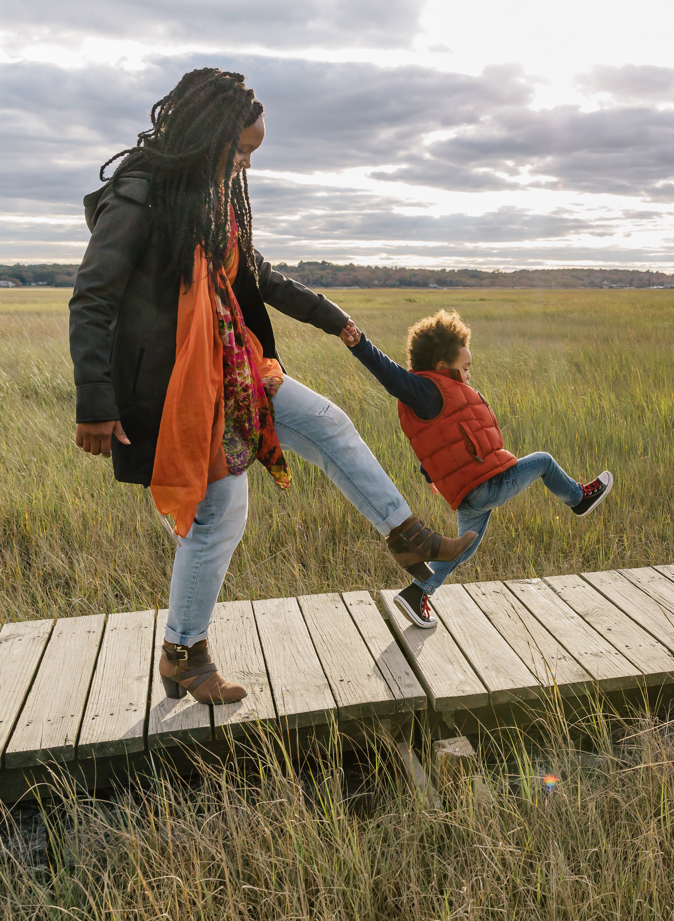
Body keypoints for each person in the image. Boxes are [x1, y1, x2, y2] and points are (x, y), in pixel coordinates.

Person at [69, 68, 475, 703]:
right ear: (207, 134)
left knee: (329, 423)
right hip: (178, 388)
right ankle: (184, 654)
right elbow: (92, 297)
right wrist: (95, 402)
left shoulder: (215, 196)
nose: (245, 166)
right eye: (241, 151)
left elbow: (254, 271)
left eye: (252, 154)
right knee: (221, 515)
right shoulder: (143, 192)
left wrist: (332, 316)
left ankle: (407, 536)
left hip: (237, 369)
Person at [339, 310, 613, 628]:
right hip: (485, 485)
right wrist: (360, 344)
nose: (469, 375)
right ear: (442, 366)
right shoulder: (426, 391)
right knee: (543, 461)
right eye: (466, 368)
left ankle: (416, 593)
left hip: (470, 491)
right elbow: (389, 374)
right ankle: (579, 499)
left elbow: (437, 445)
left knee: (463, 547)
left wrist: (431, 475)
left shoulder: (438, 397)